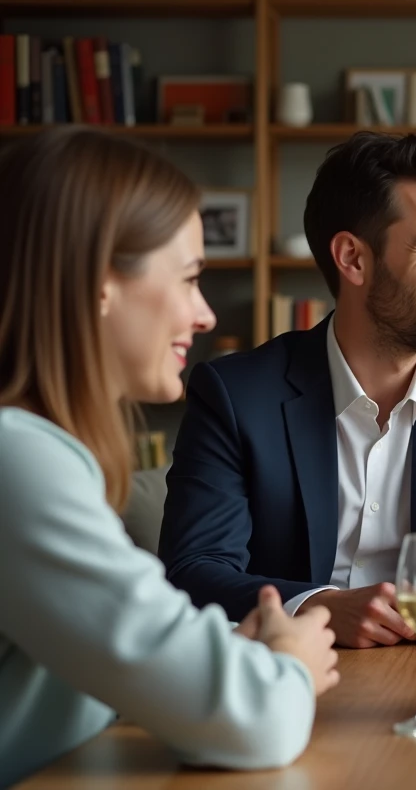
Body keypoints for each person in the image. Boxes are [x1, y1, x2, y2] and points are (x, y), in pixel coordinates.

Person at [0, 128, 339, 787]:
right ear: (99, 282)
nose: (205, 314)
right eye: (188, 279)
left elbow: (98, 665)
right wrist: (290, 664)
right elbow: (256, 724)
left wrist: (227, 663)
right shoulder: (17, 463)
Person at [158, 131, 416, 648]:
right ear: (353, 258)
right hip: (293, 682)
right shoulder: (235, 395)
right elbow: (193, 569)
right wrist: (320, 606)